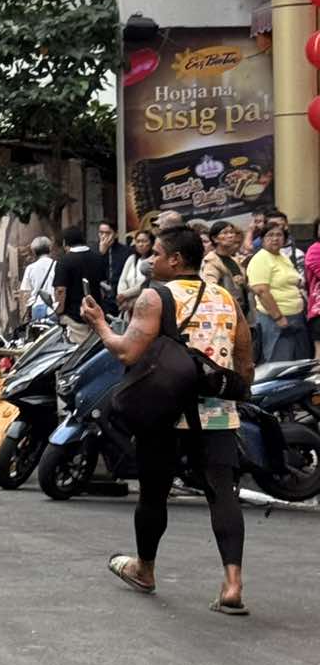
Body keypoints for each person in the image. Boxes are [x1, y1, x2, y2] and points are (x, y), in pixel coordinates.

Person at [84, 225, 253, 615]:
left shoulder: (155, 297)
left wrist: (99, 323)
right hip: (216, 415)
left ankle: (145, 569)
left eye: (157, 254)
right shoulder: (226, 297)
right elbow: (244, 359)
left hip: (164, 414)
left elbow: (127, 352)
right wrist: (238, 397)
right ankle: (232, 584)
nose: (150, 259)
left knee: (154, 492)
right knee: (221, 494)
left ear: (175, 260)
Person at [246, 220, 309, 363]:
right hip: (275, 318)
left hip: (296, 316)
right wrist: (278, 317)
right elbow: (261, 291)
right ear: (262, 239)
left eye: (279, 235)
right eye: (270, 235)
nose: (275, 238)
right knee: (279, 361)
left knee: (298, 361)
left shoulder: (282, 257)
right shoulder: (260, 259)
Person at [51, 226, 102, 342]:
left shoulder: (64, 261)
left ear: (65, 243)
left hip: (74, 318)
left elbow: (60, 290)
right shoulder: (97, 257)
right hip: (96, 316)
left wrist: (58, 311)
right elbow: (102, 285)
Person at [202, 220, 253, 323]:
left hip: (243, 311)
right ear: (215, 239)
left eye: (231, 232)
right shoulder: (211, 261)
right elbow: (210, 288)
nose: (230, 236)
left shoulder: (234, 259)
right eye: (225, 233)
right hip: (225, 314)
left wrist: (244, 283)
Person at [19, 238, 57, 327]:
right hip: (53, 308)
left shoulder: (30, 268)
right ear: (50, 249)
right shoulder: (57, 265)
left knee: (38, 338)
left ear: (34, 252)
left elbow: (25, 292)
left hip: (36, 307)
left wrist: (23, 312)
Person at [116, 228, 155, 306]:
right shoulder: (132, 259)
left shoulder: (153, 261)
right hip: (125, 303)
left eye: (144, 241)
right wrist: (121, 295)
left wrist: (125, 295)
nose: (140, 244)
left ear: (151, 243)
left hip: (143, 302)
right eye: (138, 241)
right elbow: (122, 280)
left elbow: (144, 284)